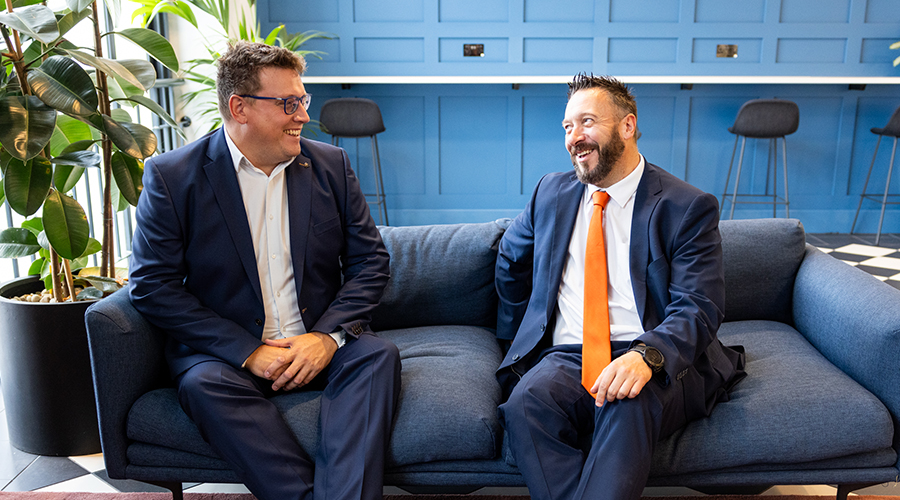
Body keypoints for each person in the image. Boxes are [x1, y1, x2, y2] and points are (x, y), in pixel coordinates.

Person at [128, 41, 400, 500]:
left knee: (376, 357)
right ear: (240, 108)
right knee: (201, 385)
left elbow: (371, 261)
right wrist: (248, 351)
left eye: (303, 101)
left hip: (317, 339)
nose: (303, 116)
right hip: (228, 357)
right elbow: (153, 287)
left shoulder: (329, 165)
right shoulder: (172, 177)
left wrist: (325, 338)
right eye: (288, 104)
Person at [495, 74, 746, 500]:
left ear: (627, 126)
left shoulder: (685, 206)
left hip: (650, 352)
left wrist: (647, 357)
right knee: (525, 403)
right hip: (566, 355)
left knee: (626, 401)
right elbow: (510, 262)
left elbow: (699, 306)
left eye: (587, 122)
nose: (575, 137)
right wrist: (517, 337)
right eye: (568, 127)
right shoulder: (550, 192)